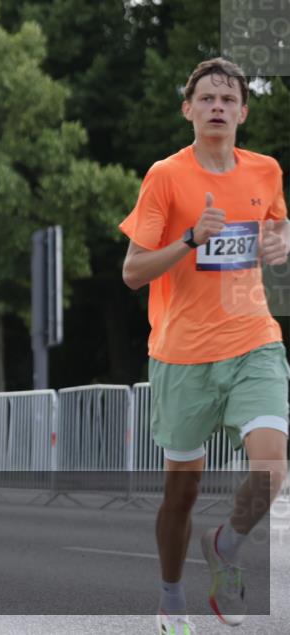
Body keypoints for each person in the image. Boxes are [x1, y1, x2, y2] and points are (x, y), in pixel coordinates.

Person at [120, 58, 289, 634]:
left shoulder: (265, 170)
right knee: (181, 492)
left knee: (272, 464)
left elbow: (276, 225)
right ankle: (170, 597)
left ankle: (227, 543)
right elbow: (133, 270)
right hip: (182, 353)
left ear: (243, 111)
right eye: (207, 98)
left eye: (228, 99)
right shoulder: (165, 177)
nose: (218, 106)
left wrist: (279, 243)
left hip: (253, 340)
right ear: (187, 109)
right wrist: (191, 239)